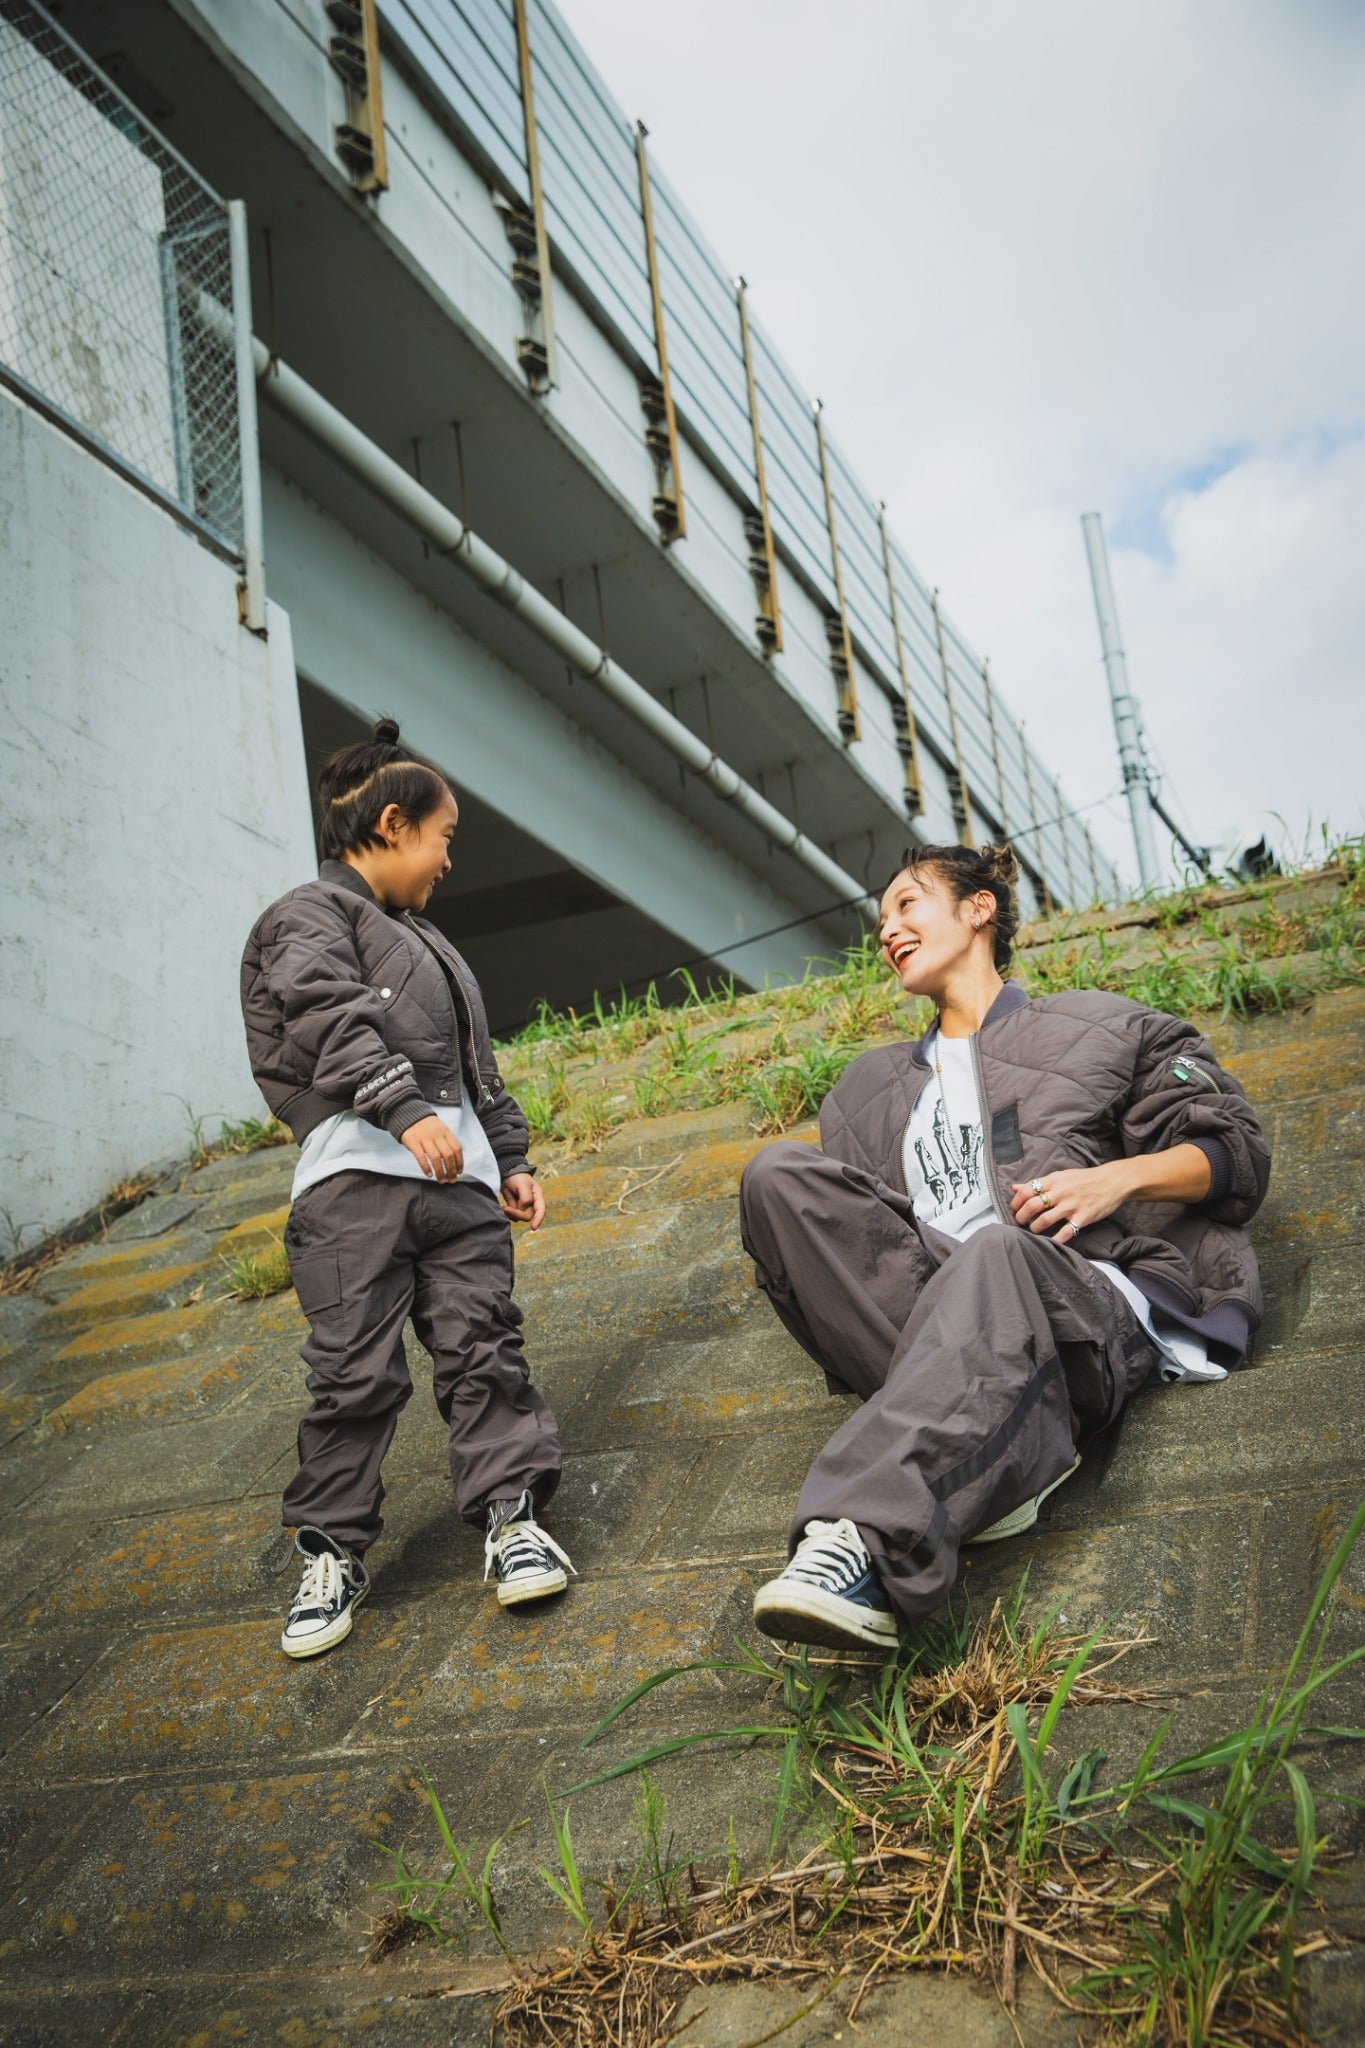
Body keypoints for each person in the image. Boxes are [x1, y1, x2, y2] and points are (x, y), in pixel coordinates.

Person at [741, 843, 1269, 1653]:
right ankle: (995, 1446)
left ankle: (862, 1540)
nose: (887, 929)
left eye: (907, 904)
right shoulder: (862, 1093)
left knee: (996, 1250)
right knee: (775, 1173)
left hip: (1073, 1303)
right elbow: (857, 1245)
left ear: (978, 908)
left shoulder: (1101, 1028)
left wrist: (1115, 1181)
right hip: (936, 1323)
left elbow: (1233, 1155)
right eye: (880, 920)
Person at [241, 717, 570, 1658]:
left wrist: (509, 1159)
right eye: (444, 837)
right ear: (392, 824)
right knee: (353, 1374)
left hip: (457, 1190)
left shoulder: (429, 943)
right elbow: (323, 1016)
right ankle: (331, 1552)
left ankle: (512, 1520)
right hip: (354, 1189)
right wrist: (398, 1107)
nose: (447, 859)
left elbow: (477, 1071)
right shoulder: (305, 916)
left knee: (484, 1350)